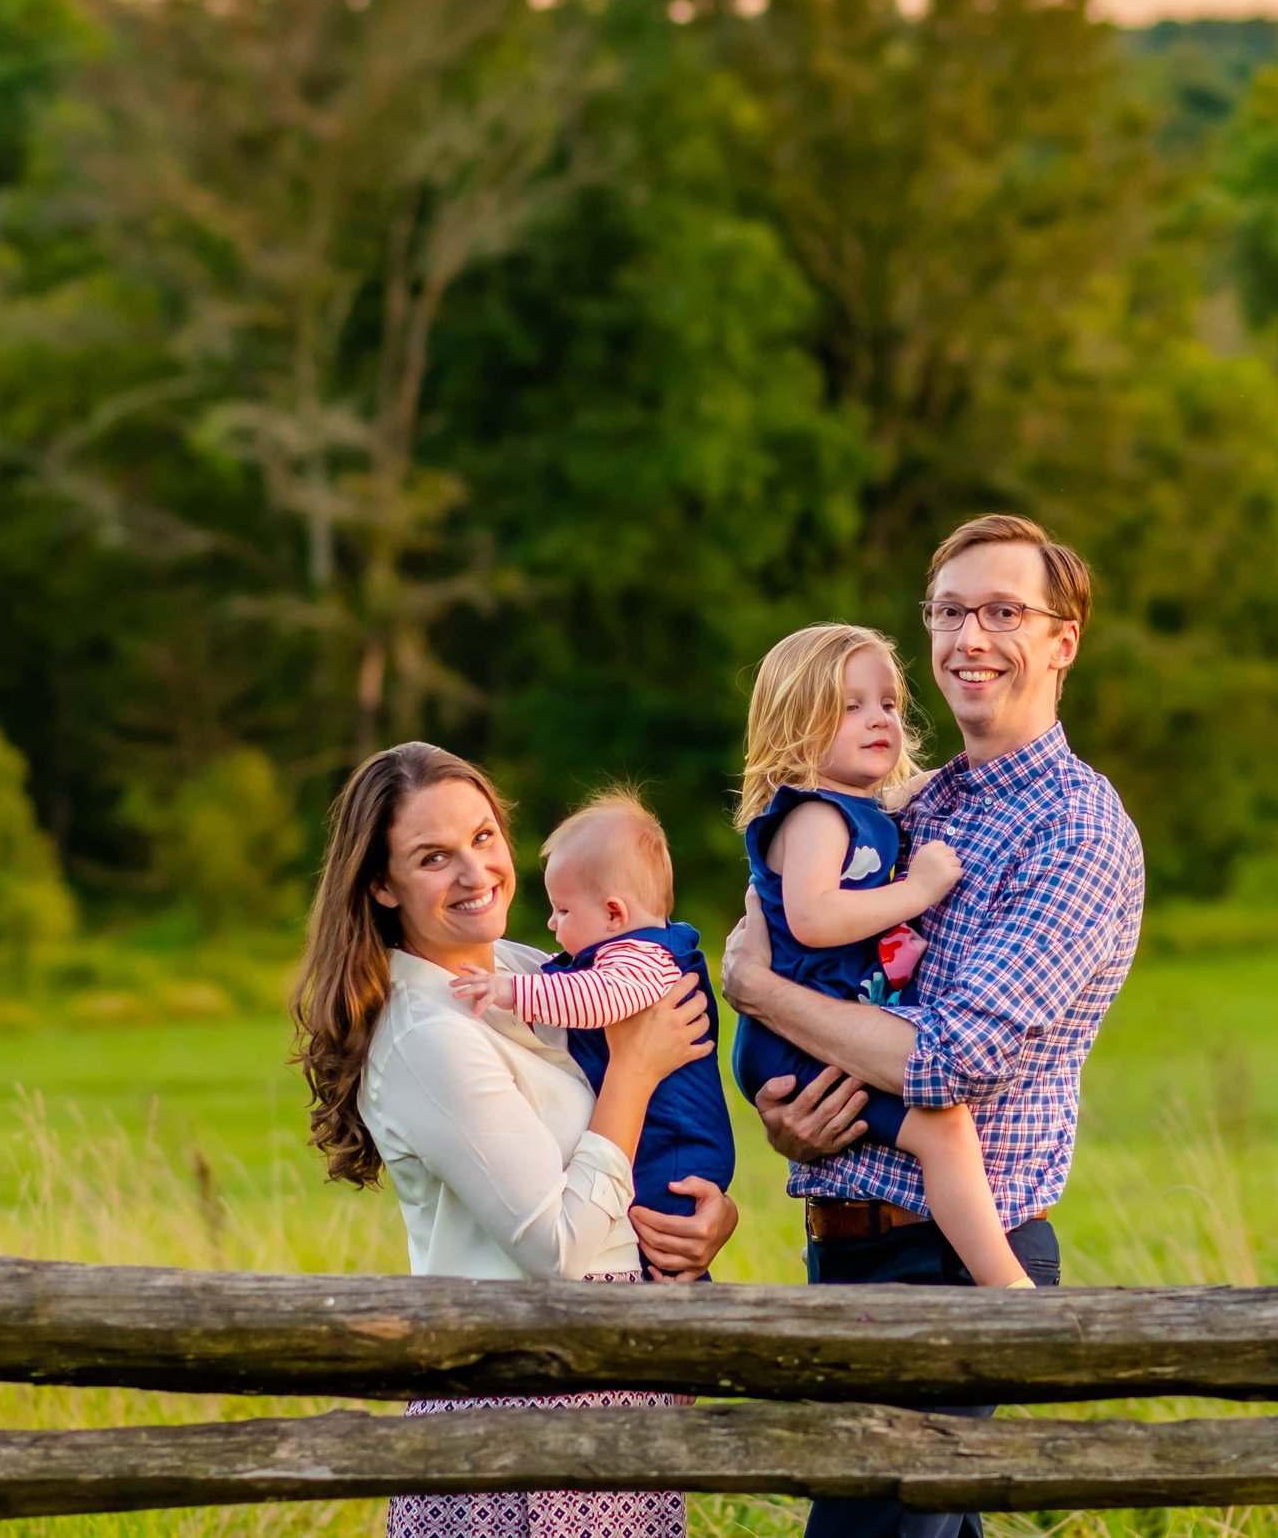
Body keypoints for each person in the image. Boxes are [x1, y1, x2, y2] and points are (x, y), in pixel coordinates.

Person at [720, 514, 1146, 1538]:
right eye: (950, 612)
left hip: (957, 1264)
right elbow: (804, 936)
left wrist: (763, 996)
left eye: (1003, 611)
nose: (969, 638)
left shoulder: (1075, 830)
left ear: (1062, 640)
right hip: (849, 1250)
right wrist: (791, 1111)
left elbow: (951, 1057)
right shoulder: (911, 802)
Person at [292, 742, 738, 1538]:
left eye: (484, 837)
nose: (475, 873)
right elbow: (559, 1251)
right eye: (435, 857)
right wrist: (635, 1069)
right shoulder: (428, 1034)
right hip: (514, 1404)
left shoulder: (538, 972)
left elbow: (641, 1139)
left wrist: (703, 1223)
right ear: (383, 886)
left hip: (604, 1388)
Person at [729, 622, 1031, 1290]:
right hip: (796, 1042)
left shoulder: (854, 808)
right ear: (792, 723)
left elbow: (897, 795)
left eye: (890, 703)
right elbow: (811, 919)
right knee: (943, 1125)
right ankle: (1009, 1289)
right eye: (850, 706)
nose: (880, 719)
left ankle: (999, 1281)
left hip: (813, 1029)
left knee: (942, 1129)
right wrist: (915, 890)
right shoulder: (814, 818)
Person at [450, 790, 737, 1276]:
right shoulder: (629, 953)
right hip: (664, 1141)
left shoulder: (640, 960)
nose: (551, 922)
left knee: (655, 1245)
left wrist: (510, 992)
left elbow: (594, 999)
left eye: (562, 911)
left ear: (613, 914)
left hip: (673, 1145)